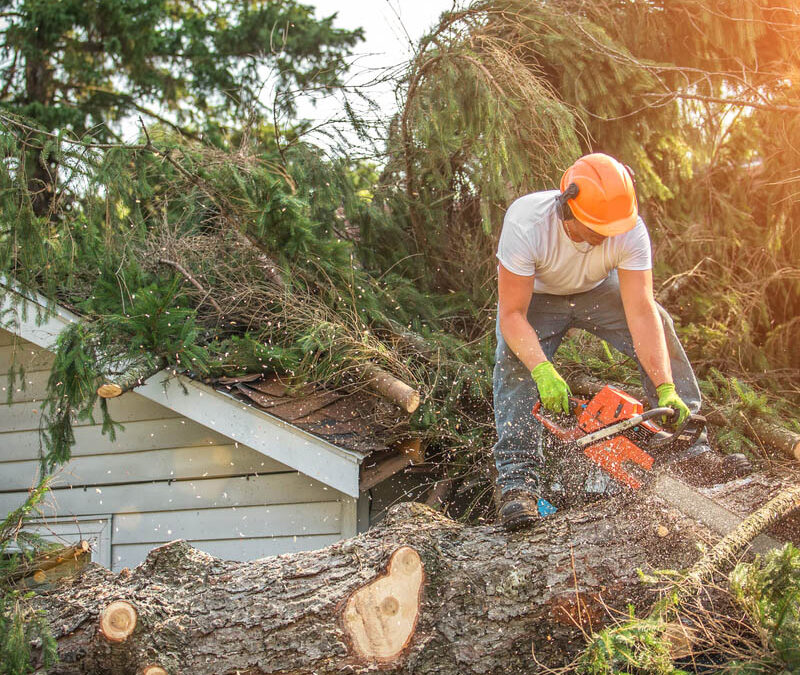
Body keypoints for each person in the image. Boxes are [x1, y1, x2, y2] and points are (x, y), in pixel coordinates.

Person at [492, 153, 748, 531]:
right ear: (567, 208)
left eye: (611, 229)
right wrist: (543, 370)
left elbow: (640, 310)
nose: (605, 237)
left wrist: (664, 386)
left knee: (659, 320)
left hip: (598, 291)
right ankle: (518, 482)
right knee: (515, 363)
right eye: (596, 229)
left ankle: (689, 446)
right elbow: (511, 314)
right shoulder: (527, 222)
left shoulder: (628, 227)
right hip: (539, 299)